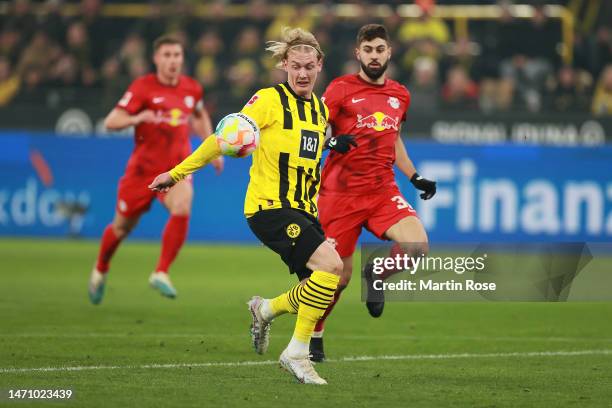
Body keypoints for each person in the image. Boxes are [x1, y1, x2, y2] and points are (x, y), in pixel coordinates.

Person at [149, 28, 342, 385]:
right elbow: (220, 140)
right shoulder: (268, 100)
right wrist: (176, 174)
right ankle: (297, 354)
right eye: (295, 66)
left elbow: (307, 160)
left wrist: (333, 145)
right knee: (331, 267)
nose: (302, 73)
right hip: (269, 208)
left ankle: (264, 309)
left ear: (319, 67)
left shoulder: (320, 110)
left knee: (323, 286)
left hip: (303, 210)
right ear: (284, 65)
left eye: (309, 67)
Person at [311, 24, 437, 362]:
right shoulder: (339, 90)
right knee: (336, 278)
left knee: (417, 246)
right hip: (341, 195)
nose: (375, 56)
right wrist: (330, 141)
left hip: (382, 191)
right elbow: (313, 129)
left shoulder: (400, 94)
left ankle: (377, 273)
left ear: (389, 52)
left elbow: (393, 139)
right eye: (368, 50)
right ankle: (315, 335)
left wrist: (415, 176)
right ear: (358, 54)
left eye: (380, 49)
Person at [88, 35, 223, 304]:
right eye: (167, 55)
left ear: (182, 58)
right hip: (142, 172)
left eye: (177, 55)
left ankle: (161, 271)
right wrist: (138, 117)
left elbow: (199, 115)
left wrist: (214, 146)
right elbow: (112, 121)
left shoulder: (192, 89)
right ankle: (101, 269)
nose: (173, 60)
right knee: (121, 228)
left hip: (176, 169)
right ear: (156, 59)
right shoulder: (142, 88)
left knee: (183, 205)